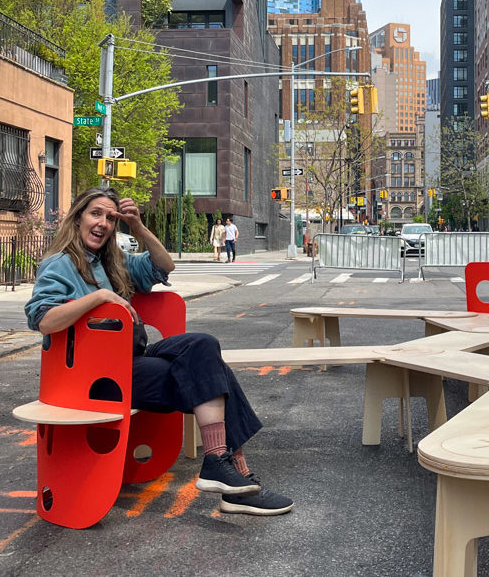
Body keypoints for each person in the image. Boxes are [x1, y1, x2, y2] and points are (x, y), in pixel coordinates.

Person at [24, 188, 292, 516]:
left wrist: (137, 228)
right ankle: (235, 475)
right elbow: (44, 320)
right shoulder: (60, 264)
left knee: (203, 346)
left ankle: (219, 465)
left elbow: (164, 265)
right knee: (207, 373)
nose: (103, 223)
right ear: (78, 216)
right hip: (94, 376)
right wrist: (98, 299)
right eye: (96, 214)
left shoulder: (113, 263)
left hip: (132, 358)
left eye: (110, 218)